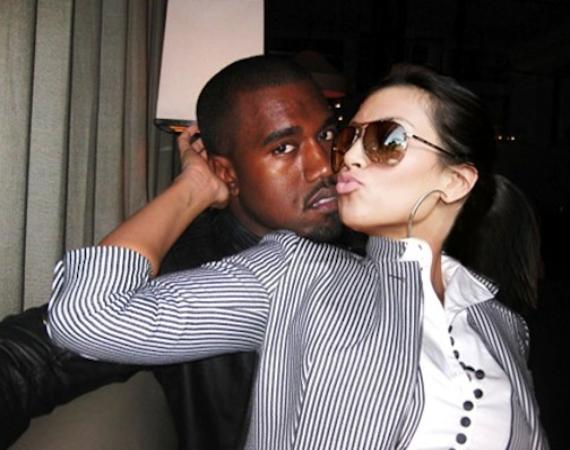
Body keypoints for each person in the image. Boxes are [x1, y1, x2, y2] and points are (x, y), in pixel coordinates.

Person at [47, 63, 549, 449]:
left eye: (384, 140)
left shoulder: (503, 324)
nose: (338, 162)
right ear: (227, 172)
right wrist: (192, 189)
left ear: (455, 180)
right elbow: (88, 317)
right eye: (351, 137)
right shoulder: (296, 272)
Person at [0, 55, 361, 449]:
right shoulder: (187, 268)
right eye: (284, 147)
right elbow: (27, 359)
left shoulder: (368, 237)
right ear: (226, 173)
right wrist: (192, 189)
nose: (325, 166)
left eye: (327, 135)